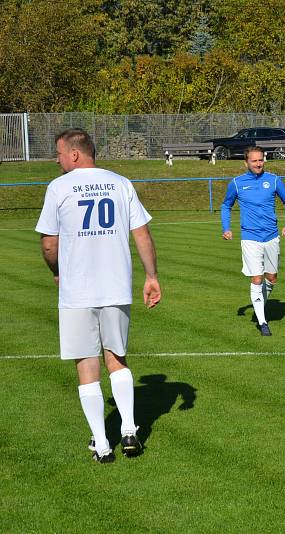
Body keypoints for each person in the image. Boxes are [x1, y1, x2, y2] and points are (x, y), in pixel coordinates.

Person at [36, 128, 161, 464]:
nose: (57, 159)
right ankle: (130, 430)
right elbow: (142, 233)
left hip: (77, 291)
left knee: (87, 366)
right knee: (116, 358)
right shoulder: (121, 182)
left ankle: (103, 446)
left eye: (59, 153)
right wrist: (151, 276)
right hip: (116, 286)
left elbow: (49, 243)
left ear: (75, 154)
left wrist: (56, 271)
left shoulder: (59, 187)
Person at [221, 146, 285, 336]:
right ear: (246, 163)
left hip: (271, 237)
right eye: (254, 161)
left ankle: (259, 304)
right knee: (256, 278)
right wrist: (226, 228)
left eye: (260, 160)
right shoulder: (237, 183)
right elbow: (226, 205)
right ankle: (262, 323)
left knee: (271, 278)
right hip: (250, 238)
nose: (258, 164)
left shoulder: (273, 180)